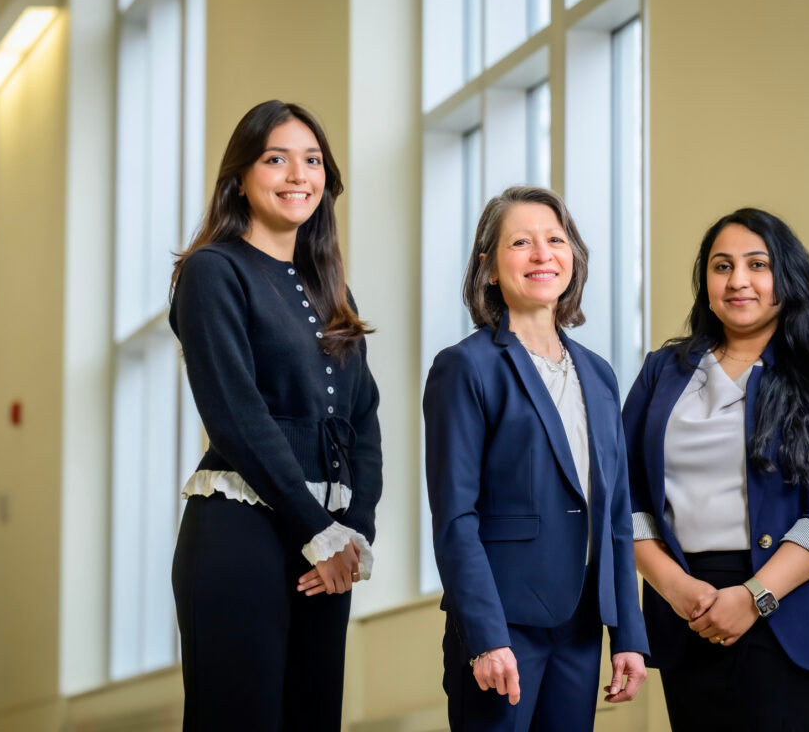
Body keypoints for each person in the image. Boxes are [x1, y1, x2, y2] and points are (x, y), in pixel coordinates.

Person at [168, 100, 382, 731]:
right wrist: (316, 527)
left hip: (325, 543)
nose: (298, 174)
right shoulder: (212, 272)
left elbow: (362, 419)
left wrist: (354, 528)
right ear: (240, 176)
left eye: (312, 160)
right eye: (277, 158)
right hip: (240, 535)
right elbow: (237, 415)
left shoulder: (329, 288)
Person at [621, 207, 809, 731]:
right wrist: (674, 587)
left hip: (788, 604)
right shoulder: (660, 374)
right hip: (685, 604)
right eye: (721, 266)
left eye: (757, 264)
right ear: (705, 281)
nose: (738, 281)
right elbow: (626, 498)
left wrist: (755, 597)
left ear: (787, 277)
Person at [423, 186, 649, 731]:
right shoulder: (466, 367)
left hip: (581, 624)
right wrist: (485, 636)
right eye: (521, 242)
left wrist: (628, 635)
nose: (543, 254)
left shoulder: (599, 373)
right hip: (502, 625)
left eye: (555, 239)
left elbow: (615, 514)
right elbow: (455, 518)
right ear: (490, 268)